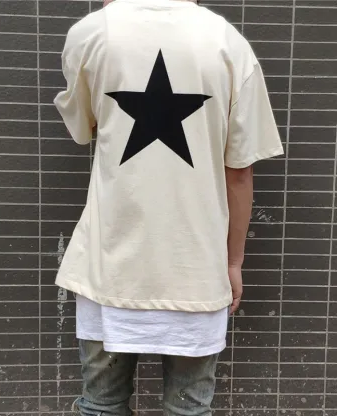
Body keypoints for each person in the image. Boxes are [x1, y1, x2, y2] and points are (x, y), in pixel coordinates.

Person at [54, 0, 283, 414]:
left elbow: (82, 128)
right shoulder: (228, 42)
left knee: (102, 406)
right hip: (196, 273)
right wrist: (233, 261)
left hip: (108, 269)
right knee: (188, 410)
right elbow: (240, 172)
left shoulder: (92, 33)